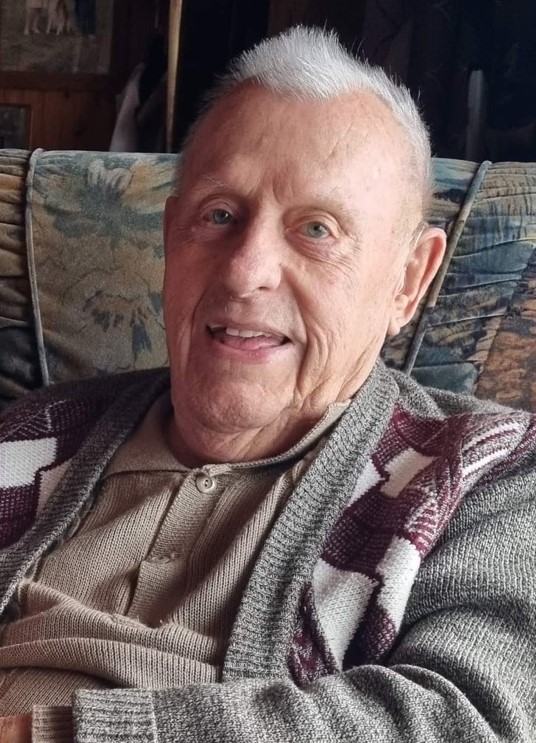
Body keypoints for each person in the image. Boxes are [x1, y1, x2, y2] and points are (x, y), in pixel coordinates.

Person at [0, 25, 535, 743]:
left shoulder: (489, 473)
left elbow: (470, 719)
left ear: (409, 279)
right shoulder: (31, 434)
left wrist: (44, 734)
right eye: (218, 215)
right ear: (170, 237)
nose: (245, 270)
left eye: (316, 229)